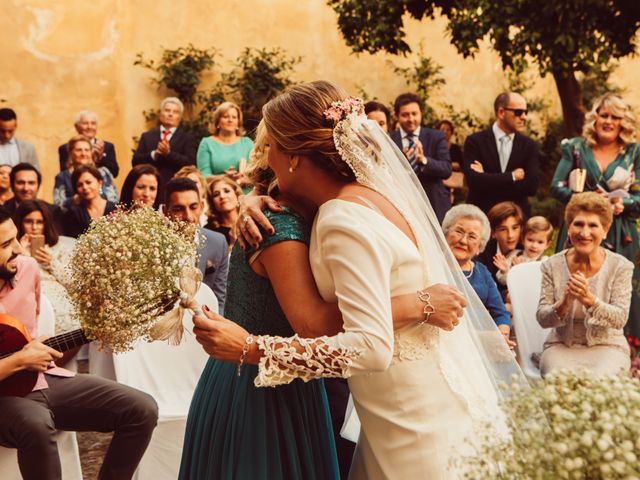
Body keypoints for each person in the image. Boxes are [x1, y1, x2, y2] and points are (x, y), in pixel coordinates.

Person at [189, 81, 523, 478]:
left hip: (409, 420)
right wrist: (252, 197)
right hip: (412, 404)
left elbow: (370, 347)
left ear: (294, 155)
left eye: (272, 148)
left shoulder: (341, 218)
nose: (266, 159)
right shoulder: (374, 197)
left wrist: (250, 347)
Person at [0, 208, 158, 480]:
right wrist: (18, 361)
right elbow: (20, 355)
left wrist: (101, 328)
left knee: (142, 409)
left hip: (39, 380)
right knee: (37, 424)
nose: (18, 248)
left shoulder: (27, 269)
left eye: (16, 238)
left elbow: (27, 340)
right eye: (5, 244)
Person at [550, 93, 640, 339]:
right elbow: (556, 187)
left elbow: (639, 196)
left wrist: (626, 202)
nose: (608, 121)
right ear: (595, 118)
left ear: (624, 121)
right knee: (573, 280)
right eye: (604, 115)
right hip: (581, 229)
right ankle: (570, 335)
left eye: (615, 116)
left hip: (621, 232)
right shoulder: (576, 147)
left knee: (621, 286)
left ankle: (627, 348)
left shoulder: (634, 152)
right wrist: (587, 201)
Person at [537, 192, 633, 376]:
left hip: (608, 346)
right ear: (569, 227)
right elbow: (543, 319)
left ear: (605, 230)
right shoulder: (551, 266)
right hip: (561, 346)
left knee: (599, 383)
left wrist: (589, 299)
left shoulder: (620, 266)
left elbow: (620, 318)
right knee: (559, 380)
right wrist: (565, 302)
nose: (584, 233)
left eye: (593, 225)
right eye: (578, 224)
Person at [442, 204, 514, 349]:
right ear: (445, 233)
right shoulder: (432, 266)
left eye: (472, 236)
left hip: (480, 345)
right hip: (445, 342)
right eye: (459, 231)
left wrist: (502, 333)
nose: (463, 241)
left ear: (479, 246)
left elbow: (500, 312)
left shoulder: (482, 273)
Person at [462, 92, 540, 216]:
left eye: (526, 112)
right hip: (481, 217)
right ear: (501, 112)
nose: (524, 117)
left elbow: (531, 187)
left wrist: (487, 177)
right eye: (518, 112)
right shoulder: (475, 141)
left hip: (516, 219)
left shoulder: (529, 145)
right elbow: (474, 181)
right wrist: (512, 177)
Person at [164, 177, 228, 314]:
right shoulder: (153, 246)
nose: (188, 216)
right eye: (178, 209)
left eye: (193, 207)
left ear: (202, 206)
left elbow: (219, 300)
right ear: (165, 211)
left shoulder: (218, 242)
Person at [14, 200, 78, 334]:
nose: (34, 227)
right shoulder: (13, 250)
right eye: (28, 221)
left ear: (46, 223)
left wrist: (52, 263)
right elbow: (13, 285)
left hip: (62, 308)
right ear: (20, 223)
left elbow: (74, 284)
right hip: (31, 307)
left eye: (39, 222)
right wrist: (22, 256)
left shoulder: (59, 248)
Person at [389, 93, 452, 223]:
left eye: (414, 114)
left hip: (433, 204)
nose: (411, 119)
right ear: (396, 116)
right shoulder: (389, 139)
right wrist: (401, 163)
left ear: (421, 113)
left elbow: (446, 170)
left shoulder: (436, 137)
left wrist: (424, 161)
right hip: (401, 204)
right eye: (405, 115)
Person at [132, 97, 197, 187]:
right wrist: (153, 154)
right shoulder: (147, 136)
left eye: (175, 112)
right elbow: (135, 161)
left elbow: (191, 164)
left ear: (180, 117)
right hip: (149, 186)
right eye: (167, 110)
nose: (170, 114)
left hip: (176, 186)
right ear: (160, 113)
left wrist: (169, 154)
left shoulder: (187, 138)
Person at [197, 101, 254, 192]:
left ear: (238, 123)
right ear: (218, 122)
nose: (230, 120)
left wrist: (244, 179)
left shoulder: (247, 143)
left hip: (246, 193)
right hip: (219, 194)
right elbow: (203, 176)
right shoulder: (207, 143)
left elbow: (257, 173)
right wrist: (225, 177)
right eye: (225, 116)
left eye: (234, 117)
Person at [53, 135, 118, 210]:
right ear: (71, 153)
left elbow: (114, 199)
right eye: (79, 150)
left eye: (87, 150)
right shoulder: (62, 177)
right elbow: (58, 206)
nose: (83, 154)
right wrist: (74, 200)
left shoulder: (104, 172)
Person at [476, 201, 525, 299]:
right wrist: (505, 296)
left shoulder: (527, 250)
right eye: (503, 229)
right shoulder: (483, 253)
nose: (510, 235)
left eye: (515, 228)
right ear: (493, 233)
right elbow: (482, 290)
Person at [494, 215, 553, 287]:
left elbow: (537, 285)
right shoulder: (514, 255)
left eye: (540, 242)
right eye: (530, 240)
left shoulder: (545, 263)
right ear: (523, 239)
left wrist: (521, 272)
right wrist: (505, 271)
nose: (534, 246)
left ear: (547, 245)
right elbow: (503, 282)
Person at [58, 110, 119, 177]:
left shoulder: (107, 146)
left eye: (93, 123)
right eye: (85, 123)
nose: (89, 127)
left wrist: (100, 159)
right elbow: (65, 172)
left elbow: (114, 173)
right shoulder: (66, 148)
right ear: (76, 126)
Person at [61, 164, 116, 238]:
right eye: (80, 185)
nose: (85, 187)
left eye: (88, 182)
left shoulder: (115, 209)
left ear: (100, 183)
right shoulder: (73, 214)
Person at [4, 164, 63, 232]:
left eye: (31, 183)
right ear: (11, 185)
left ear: (38, 185)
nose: (26, 188)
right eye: (20, 183)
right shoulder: (2, 212)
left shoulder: (53, 211)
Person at [205, 175, 241, 247]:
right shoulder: (208, 232)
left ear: (236, 195)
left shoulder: (249, 220)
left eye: (226, 191)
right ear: (212, 202)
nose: (222, 196)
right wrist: (232, 244)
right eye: (216, 194)